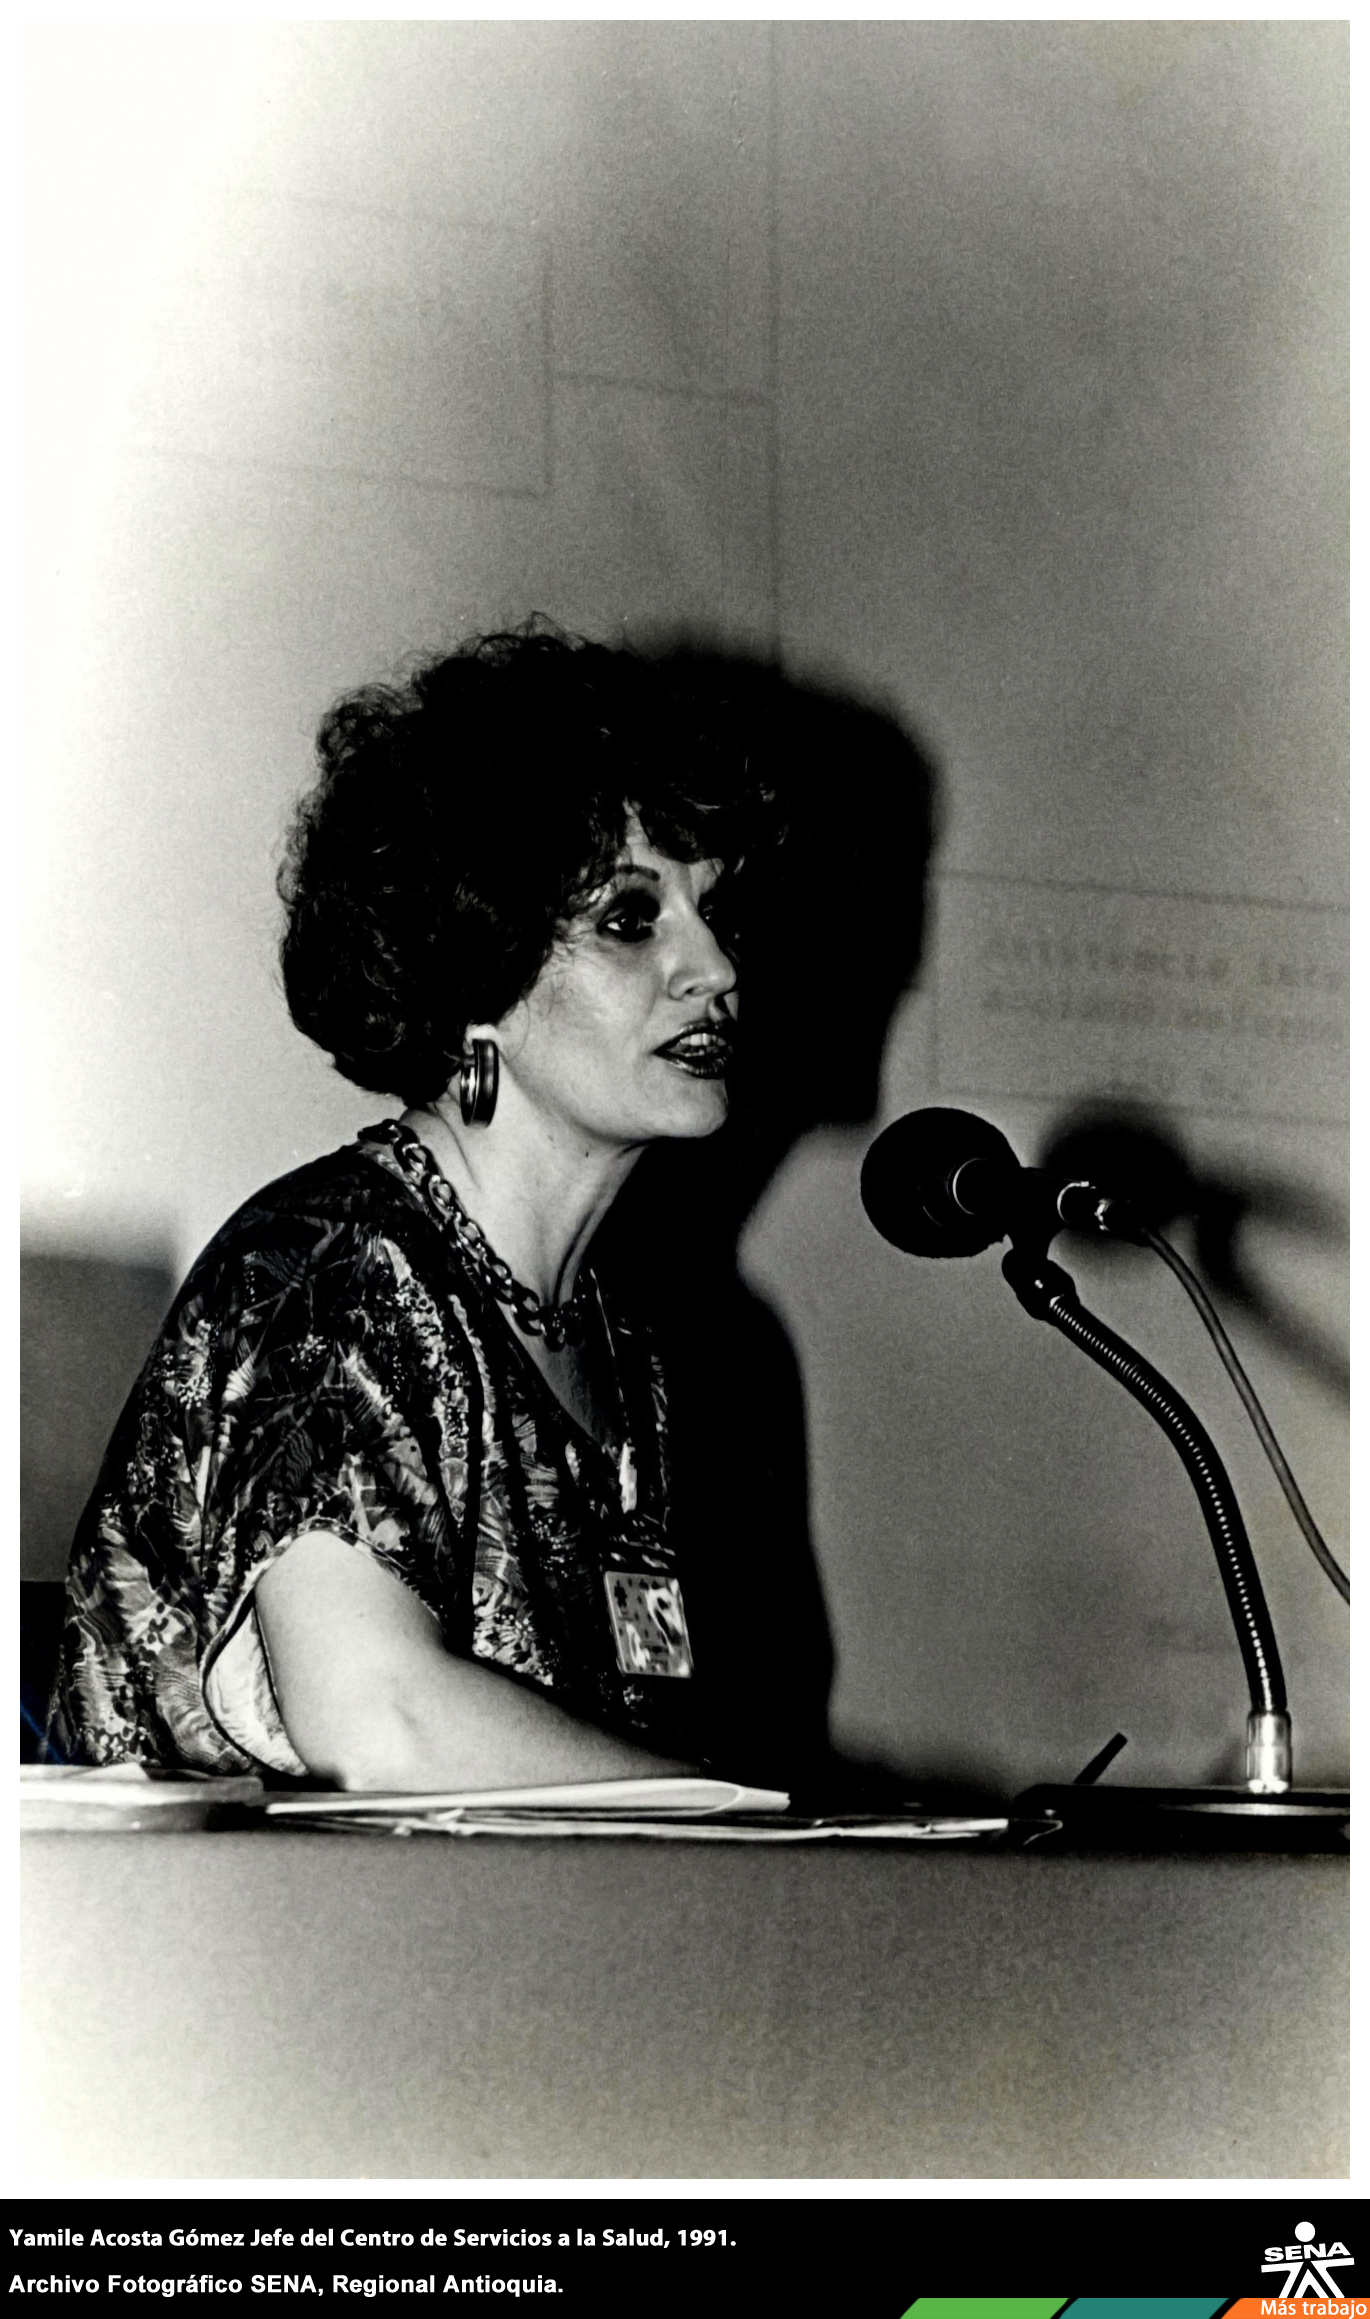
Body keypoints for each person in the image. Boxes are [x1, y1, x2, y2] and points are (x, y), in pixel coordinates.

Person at [53, 624, 802, 1791]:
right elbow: (377, 1717)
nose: (717, 969)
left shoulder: (627, 1342)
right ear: (475, 975)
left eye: (720, 915)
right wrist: (750, 1826)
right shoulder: (334, 1271)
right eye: (629, 918)